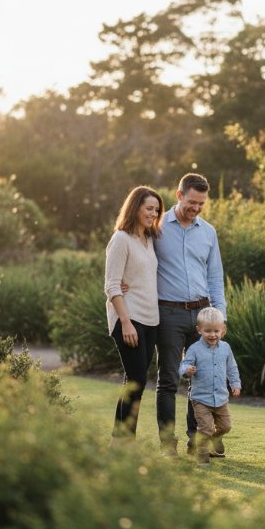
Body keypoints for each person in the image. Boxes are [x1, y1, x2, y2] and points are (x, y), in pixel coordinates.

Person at [153, 173, 227, 456]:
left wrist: (220, 317)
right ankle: (166, 444)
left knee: (202, 380)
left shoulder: (208, 232)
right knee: (169, 379)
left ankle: (197, 441)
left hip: (202, 313)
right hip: (168, 312)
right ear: (179, 194)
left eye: (201, 204)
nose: (196, 208)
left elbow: (215, 276)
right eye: (192, 202)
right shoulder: (157, 228)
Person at [104, 186, 163, 437]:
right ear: (135, 207)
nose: (153, 213)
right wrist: (125, 322)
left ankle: (120, 444)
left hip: (151, 320)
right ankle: (124, 443)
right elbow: (111, 285)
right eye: (149, 208)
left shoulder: (149, 239)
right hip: (129, 319)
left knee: (135, 384)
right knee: (136, 382)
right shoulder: (121, 239)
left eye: (157, 210)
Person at [178, 307, 241, 465]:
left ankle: (215, 439)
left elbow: (232, 368)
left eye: (216, 331)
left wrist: (235, 384)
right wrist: (187, 370)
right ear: (199, 330)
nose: (212, 335)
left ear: (223, 330)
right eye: (208, 331)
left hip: (221, 397)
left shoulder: (226, 348)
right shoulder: (194, 349)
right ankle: (202, 455)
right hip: (200, 398)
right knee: (205, 428)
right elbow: (183, 365)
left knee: (225, 426)